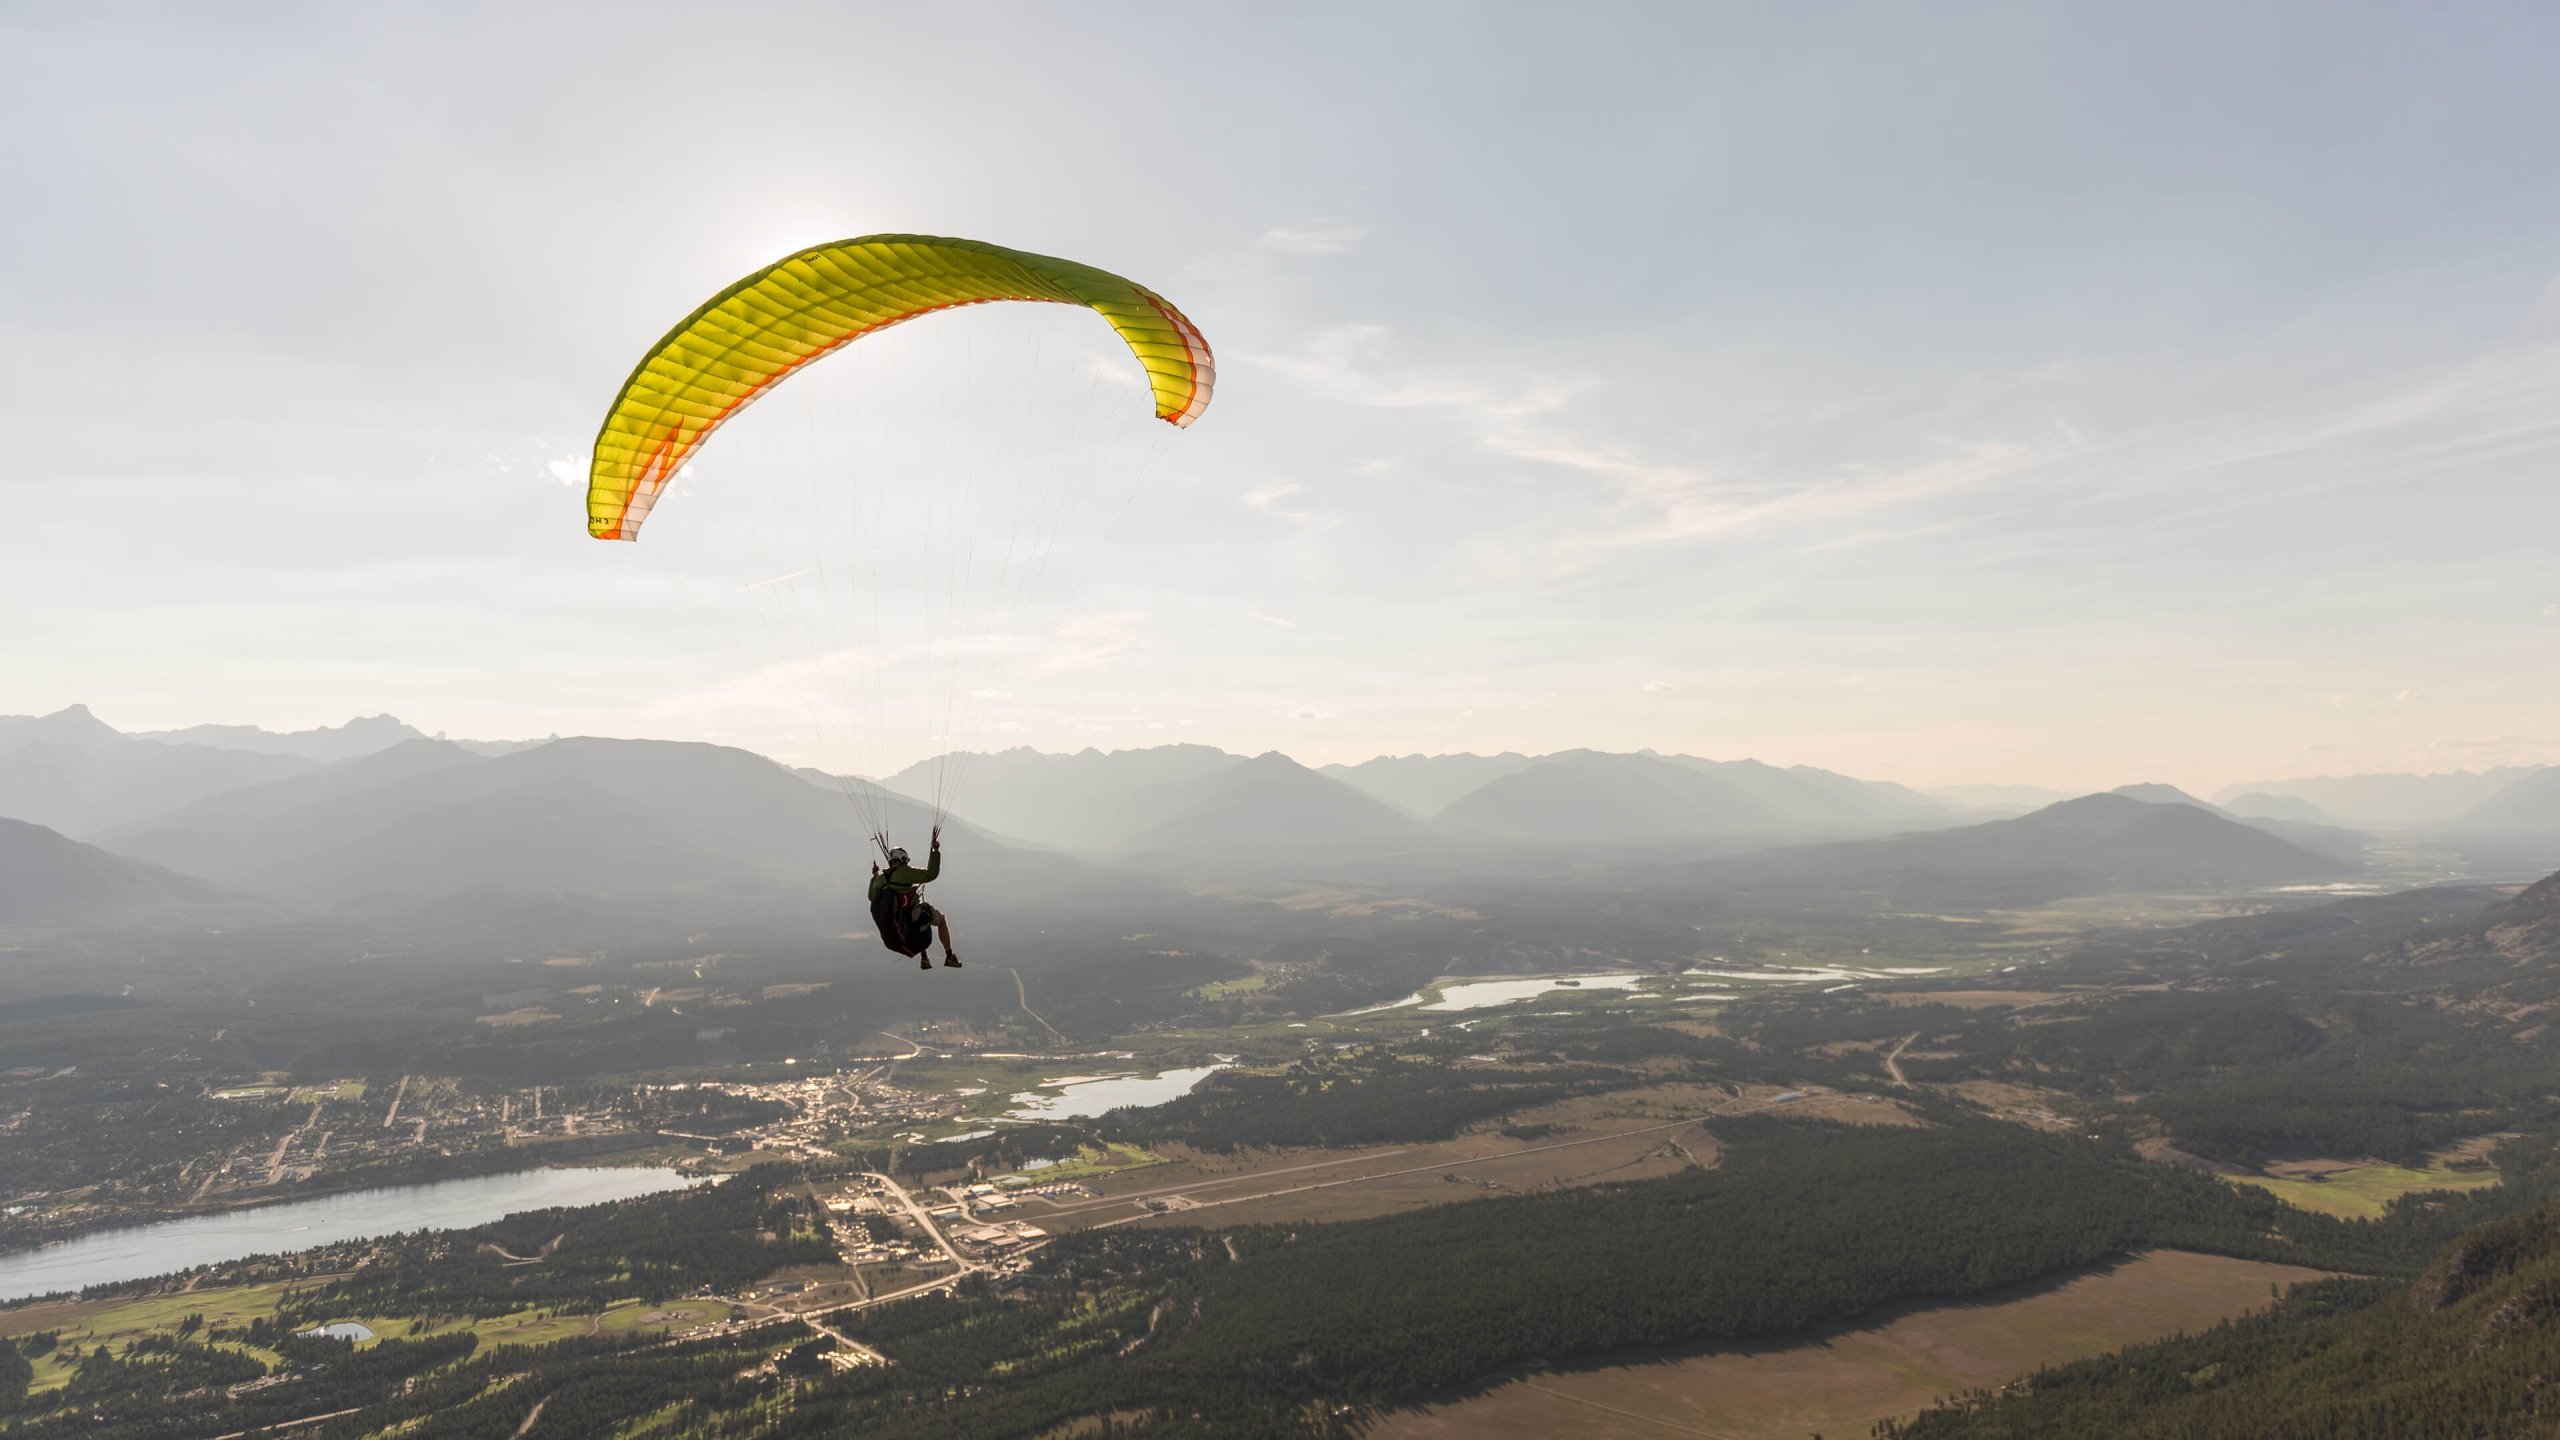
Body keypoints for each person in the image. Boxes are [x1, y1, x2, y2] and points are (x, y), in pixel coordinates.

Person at [869, 827, 960, 969]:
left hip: (903, 918)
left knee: (915, 914)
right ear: (902, 859)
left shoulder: (881, 879)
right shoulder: (904, 873)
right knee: (940, 919)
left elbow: (871, 897)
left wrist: (874, 877)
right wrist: (935, 851)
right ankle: (949, 956)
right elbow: (931, 874)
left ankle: (924, 958)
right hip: (912, 913)